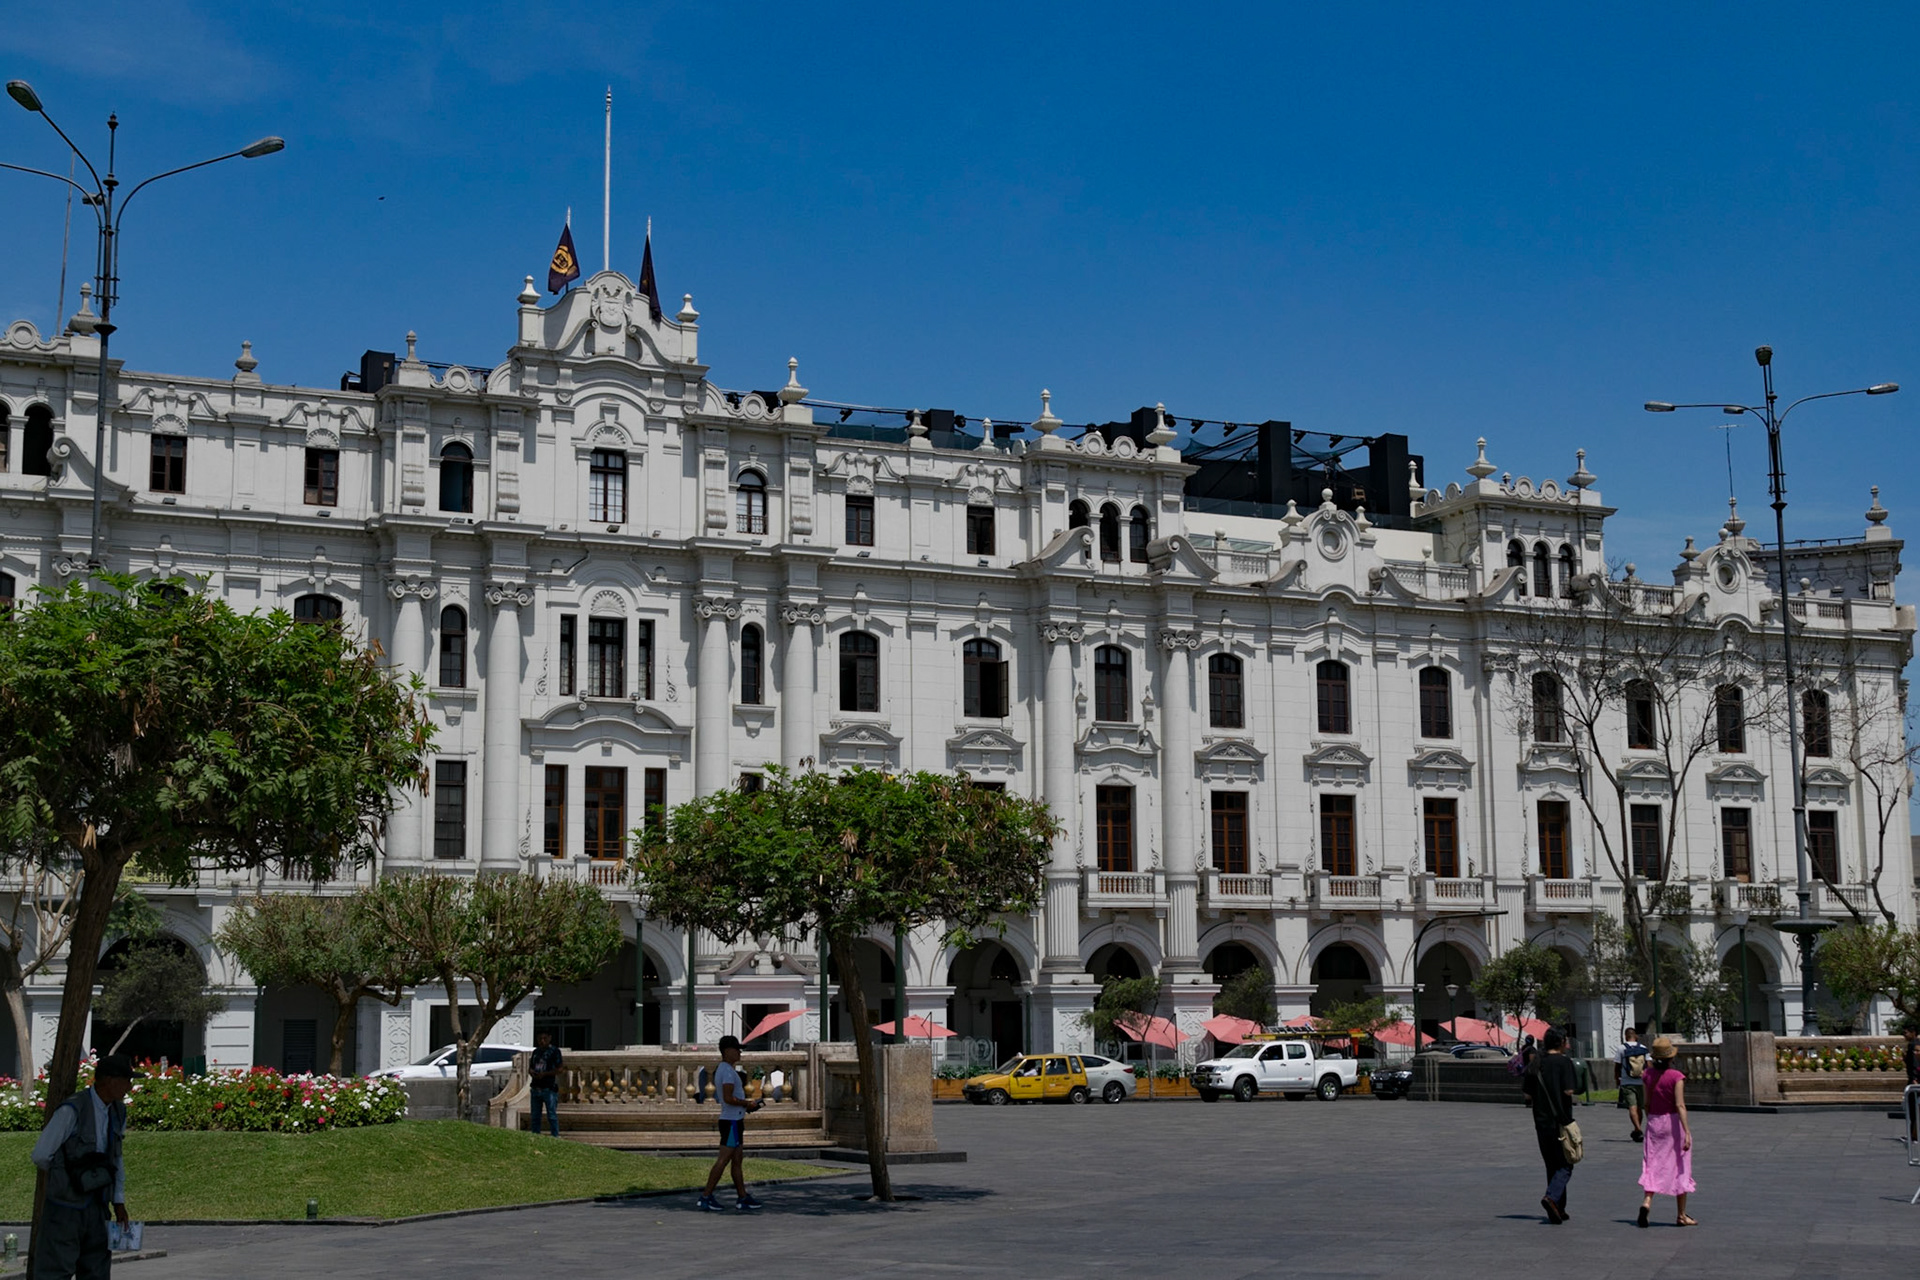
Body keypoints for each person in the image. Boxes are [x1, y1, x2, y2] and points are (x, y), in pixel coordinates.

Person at [31, 1054, 141, 1280]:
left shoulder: (118, 1113)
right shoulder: (72, 1109)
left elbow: (116, 1159)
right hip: (65, 1208)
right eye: (126, 1080)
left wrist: (118, 1201)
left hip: (98, 1206)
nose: (130, 1087)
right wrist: (66, 1178)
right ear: (109, 1081)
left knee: (97, 1269)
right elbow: (41, 1155)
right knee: (55, 1269)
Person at [697, 1035, 764, 1213]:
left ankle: (742, 1197)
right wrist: (747, 1103)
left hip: (735, 1120)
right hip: (731, 1121)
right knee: (724, 1160)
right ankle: (705, 1196)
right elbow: (727, 1098)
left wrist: (746, 1105)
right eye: (737, 1049)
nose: (739, 1052)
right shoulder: (726, 1071)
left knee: (736, 1160)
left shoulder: (727, 1070)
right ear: (727, 1051)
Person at [1521, 1028, 1579, 1224]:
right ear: (1561, 1042)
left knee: (1551, 1165)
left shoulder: (1536, 1062)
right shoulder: (1564, 1062)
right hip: (1561, 1120)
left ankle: (1558, 1208)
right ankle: (1552, 1198)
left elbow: (1527, 1095)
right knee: (1566, 1164)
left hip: (1541, 1121)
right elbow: (1569, 1090)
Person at [1636, 1036, 1696, 1227]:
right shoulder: (1676, 1076)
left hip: (1654, 1121)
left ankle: (1647, 1202)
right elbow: (1680, 1105)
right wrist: (1687, 1131)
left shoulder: (1647, 1075)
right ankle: (1681, 1214)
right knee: (1680, 1163)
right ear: (1671, 1057)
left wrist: (1650, 1117)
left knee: (1652, 1162)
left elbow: (1645, 1102)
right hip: (1672, 1122)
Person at [1616, 1025, 1650, 1142]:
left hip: (1627, 1081)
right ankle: (1640, 1129)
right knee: (1641, 1107)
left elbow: (1617, 1066)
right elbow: (1649, 1066)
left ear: (1626, 1036)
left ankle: (1638, 1129)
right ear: (1635, 1036)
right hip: (1641, 1082)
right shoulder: (1643, 1048)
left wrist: (1617, 1079)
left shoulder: (1621, 1048)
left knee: (1632, 1106)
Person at [528, 1031, 563, 1138]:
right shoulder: (536, 1052)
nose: (542, 1041)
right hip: (536, 1087)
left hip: (549, 1088)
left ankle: (555, 1135)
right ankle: (535, 1135)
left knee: (551, 1114)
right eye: (540, 1039)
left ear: (549, 1038)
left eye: (544, 1038)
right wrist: (532, 1072)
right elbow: (531, 1067)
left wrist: (545, 1074)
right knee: (535, 1116)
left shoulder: (554, 1052)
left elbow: (560, 1069)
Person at [1901, 1018, 1920, 1088]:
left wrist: (1914, 1078)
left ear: (1913, 1033)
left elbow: (1915, 1062)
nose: (1904, 1035)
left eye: (1906, 1033)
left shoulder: (1914, 1045)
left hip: (1915, 1079)